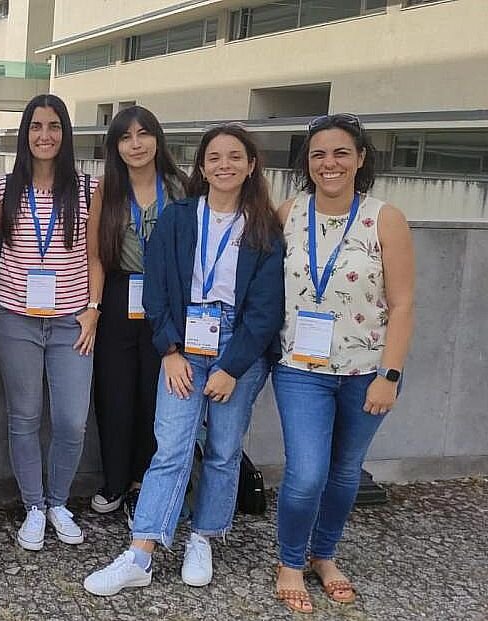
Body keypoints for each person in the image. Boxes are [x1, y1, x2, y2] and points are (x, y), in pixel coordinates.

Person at [84, 124, 284, 595]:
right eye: (214, 157)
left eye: (235, 157)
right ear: (201, 166)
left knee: (223, 449)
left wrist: (232, 367)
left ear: (251, 165)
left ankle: (203, 537)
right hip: (183, 343)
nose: (224, 166)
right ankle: (141, 552)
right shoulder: (178, 218)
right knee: (170, 446)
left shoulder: (264, 227)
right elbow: (156, 290)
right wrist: (170, 351)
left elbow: (266, 307)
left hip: (240, 346)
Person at [272, 114, 414, 614]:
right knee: (307, 473)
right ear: (306, 164)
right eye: (317, 155)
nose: (328, 163)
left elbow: (402, 303)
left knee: (345, 472)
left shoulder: (384, 217)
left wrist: (389, 374)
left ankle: (323, 555)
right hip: (299, 368)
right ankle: (290, 561)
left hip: (366, 372)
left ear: (360, 159)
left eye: (339, 153)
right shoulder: (288, 212)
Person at [0, 94, 102, 552]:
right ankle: (34, 506)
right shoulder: (2, 190)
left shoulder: (89, 188)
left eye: (54, 126)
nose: (45, 135)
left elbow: (95, 256)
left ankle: (58, 502)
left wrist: (93, 308)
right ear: (24, 133)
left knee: (72, 421)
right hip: (15, 319)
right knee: (24, 417)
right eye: (36, 126)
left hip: (72, 321)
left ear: (65, 133)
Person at [90, 106, 188, 526]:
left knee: (156, 395)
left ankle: (142, 486)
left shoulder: (179, 188)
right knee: (114, 394)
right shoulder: (106, 190)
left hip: (165, 300)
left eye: (144, 134)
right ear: (115, 146)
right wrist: (93, 307)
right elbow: (96, 254)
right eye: (126, 137)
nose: (136, 144)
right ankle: (114, 481)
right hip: (117, 296)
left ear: (157, 139)